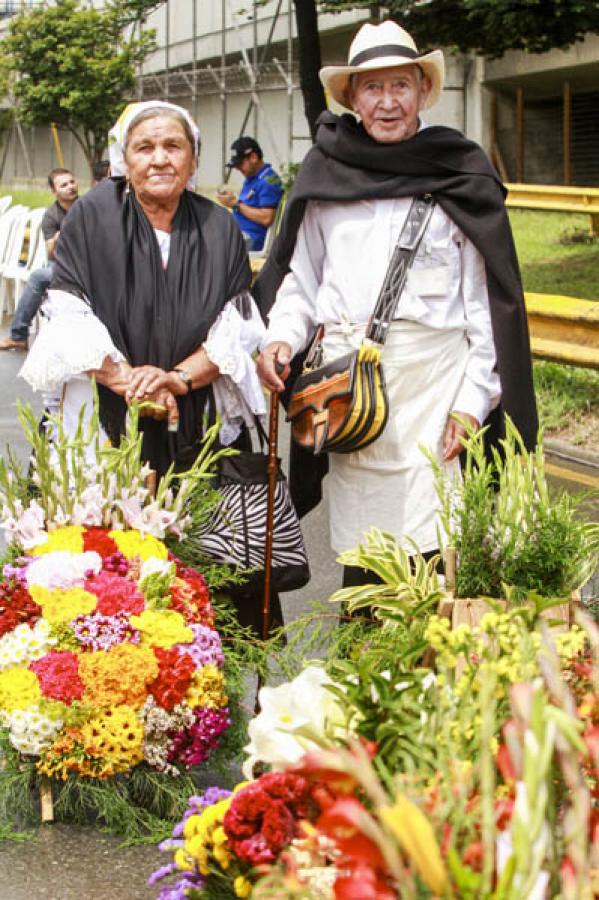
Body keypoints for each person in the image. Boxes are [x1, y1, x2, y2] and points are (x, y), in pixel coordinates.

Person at [255, 20, 538, 588]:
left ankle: (430, 671)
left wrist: (472, 402)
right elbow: (301, 281)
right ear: (352, 97)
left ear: (422, 92)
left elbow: (487, 307)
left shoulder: (460, 169)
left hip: (436, 391)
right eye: (372, 88)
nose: (387, 102)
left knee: (438, 546)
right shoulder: (325, 172)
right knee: (365, 551)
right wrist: (281, 336)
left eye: (400, 87)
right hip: (351, 396)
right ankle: (366, 670)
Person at [20, 100, 281, 634]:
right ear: (124, 159)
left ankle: (202, 697)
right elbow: (67, 310)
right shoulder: (92, 215)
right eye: (145, 147)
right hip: (103, 417)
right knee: (102, 573)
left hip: (195, 418)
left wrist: (177, 378)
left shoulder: (218, 227)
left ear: (193, 159)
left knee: (199, 574)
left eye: (173, 146)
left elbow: (236, 327)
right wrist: (130, 380)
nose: (159, 159)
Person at [0, 168, 79, 352]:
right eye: (64, 185)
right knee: (41, 275)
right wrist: (61, 234)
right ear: (54, 191)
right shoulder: (52, 215)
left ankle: (17, 335)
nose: (70, 187)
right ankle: (19, 336)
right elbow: (50, 252)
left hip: (85, 264)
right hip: (61, 264)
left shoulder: (87, 206)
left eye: (72, 182)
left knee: (37, 277)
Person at [217, 137, 283, 251]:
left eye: (240, 164)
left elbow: (267, 218)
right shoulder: (252, 178)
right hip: (241, 236)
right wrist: (234, 200)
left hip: (252, 239)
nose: (237, 169)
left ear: (253, 157)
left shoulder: (268, 180)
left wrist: (235, 204)